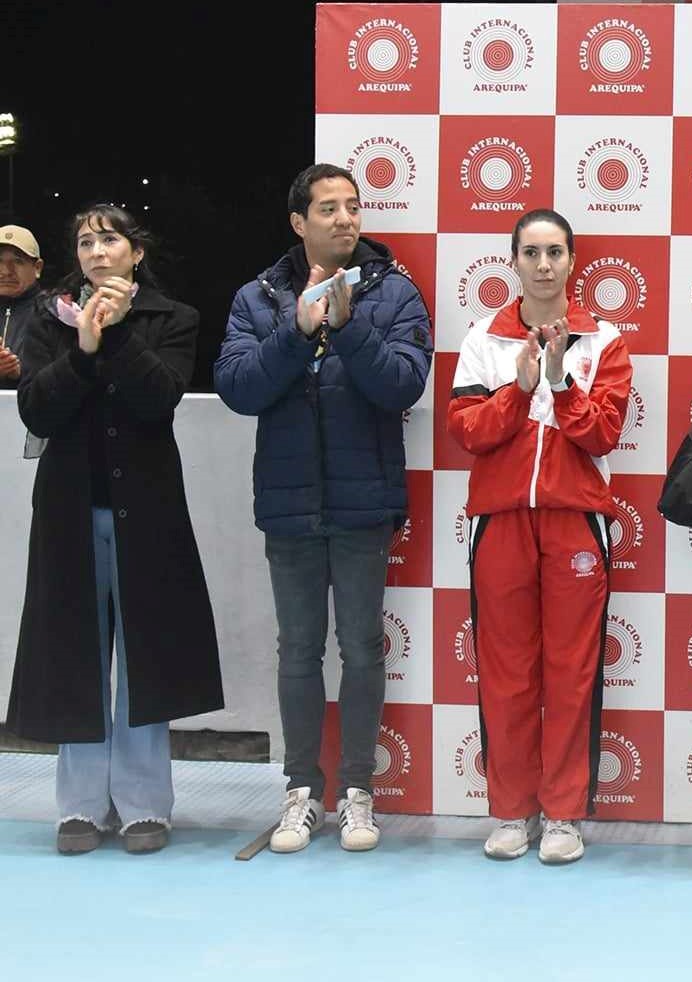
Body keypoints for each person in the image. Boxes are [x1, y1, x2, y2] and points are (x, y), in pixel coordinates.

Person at [214, 163, 432, 854]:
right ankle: (302, 791)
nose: (344, 218)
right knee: (298, 650)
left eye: (353, 205)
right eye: (328, 208)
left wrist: (345, 328)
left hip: (364, 504)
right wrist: (297, 329)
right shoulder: (260, 297)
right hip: (289, 508)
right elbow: (238, 388)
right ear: (298, 222)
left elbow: (403, 384)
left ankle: (359, 792)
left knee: (363, 649)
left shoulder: (394, 290)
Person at [9, 205, 223, 854]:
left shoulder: (172, 318)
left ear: (135, 252)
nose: (97, 251)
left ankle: (143, 804)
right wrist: (83, 352)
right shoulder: (51, 319)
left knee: (143, 657)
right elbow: (37, 410)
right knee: (76, 651)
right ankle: (78, 805)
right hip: (70, 514)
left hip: (146, 515)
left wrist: (121, 335)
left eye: (110, 239)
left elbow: (159, 398)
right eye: (85, 242)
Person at [446, 209, 631, 865]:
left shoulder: (603, 340)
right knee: (505, 674)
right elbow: (466, 431)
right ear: (514, 261)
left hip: (574, 519)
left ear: (573, 260)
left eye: (555, 252)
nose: (544, 264)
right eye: (532, 252)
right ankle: (511, 811)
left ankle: (563, 815)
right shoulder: (482, 339)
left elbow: (602, 434)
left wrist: (558, 382)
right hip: (499, 522)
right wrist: (518, 390)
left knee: (572, 671)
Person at [1, 223, 45, 388]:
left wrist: (19, 372)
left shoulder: (54, 312)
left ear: (37, 267)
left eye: (18, 261)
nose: (6, 271)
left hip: (34, 410)